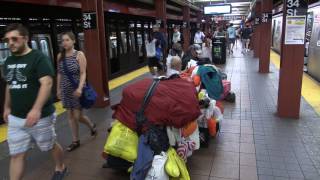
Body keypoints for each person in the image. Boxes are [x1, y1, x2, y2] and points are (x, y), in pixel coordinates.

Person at [2, 23, 67, 180]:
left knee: (49, 145)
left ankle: (61, 166)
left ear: (25, 39)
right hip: (16, 118)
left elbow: (47, 83)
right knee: (16, 155)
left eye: (14, 39)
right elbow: (10, 84)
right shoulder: (8, 61)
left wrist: (36, 109)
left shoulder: (38, 58)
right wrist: (6, 107)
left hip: (41, 117)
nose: (10, 43)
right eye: (7, 40)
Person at [57, 32, 97, 152]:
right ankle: (75, 141)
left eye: (67, 40)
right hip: (65, 90)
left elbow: (83, 73)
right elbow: (59, 73)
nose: (64, 42)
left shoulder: (79, 55)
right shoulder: (60, 56)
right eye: (63, 40)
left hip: (77, 90)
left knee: (77, 116)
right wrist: (58, 89)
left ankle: (91, 125)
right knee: (70, 116)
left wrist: (80, 88)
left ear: (74, 41)